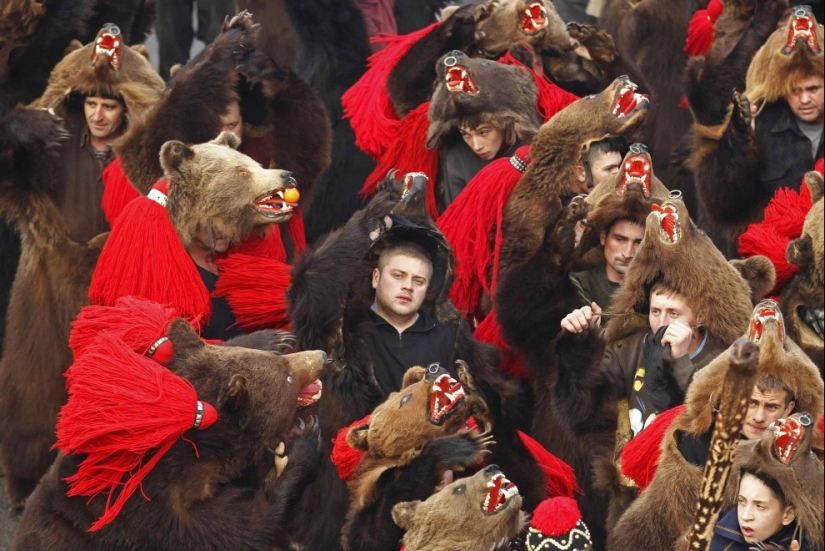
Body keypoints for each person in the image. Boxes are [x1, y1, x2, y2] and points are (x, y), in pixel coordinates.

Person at [561, 281, 727, 437]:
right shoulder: (633, 347)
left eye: (673, 313)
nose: (662, 323)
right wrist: (582, 344)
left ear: (701, 317)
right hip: (636, 461)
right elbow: (582, 404)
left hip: (684, 464)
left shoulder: (722, 359)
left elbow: (705, 426)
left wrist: (680, 361)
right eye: (655, 311)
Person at [366, 241, 457, 394]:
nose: (408, 286)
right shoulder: (347, 333)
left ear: (427, 288)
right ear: (376, 278)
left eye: (418, 281)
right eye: (398, 276)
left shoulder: (448, 340)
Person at [441, 121, 525, 206]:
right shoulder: (458, 158)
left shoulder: (531, 150)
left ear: (504, 124)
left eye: (483, 132)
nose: (477, 146)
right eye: (465, 134)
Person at [570, 217, 644, 311]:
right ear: (603, 238)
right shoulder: (577, 283)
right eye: (620, 239)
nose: (627, 253)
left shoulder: (655, 290)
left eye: (639, 243)